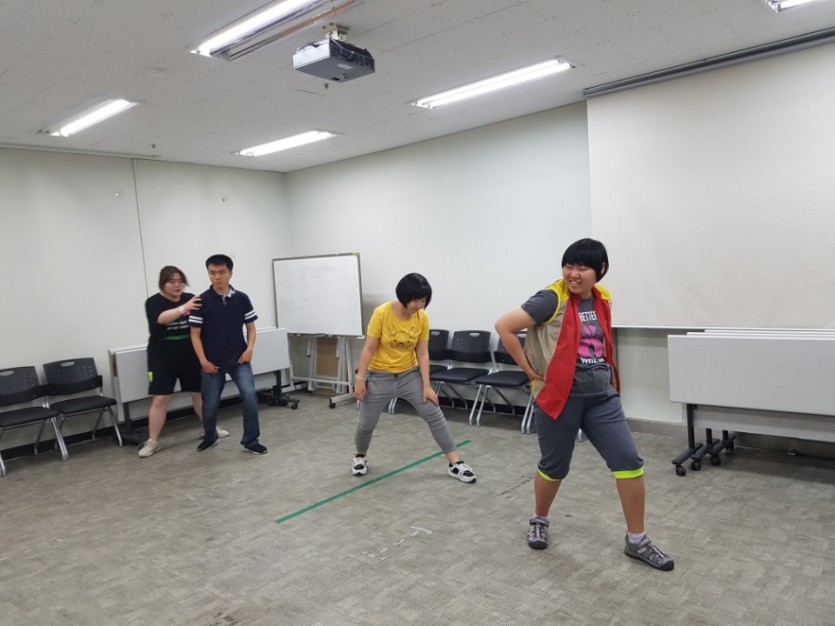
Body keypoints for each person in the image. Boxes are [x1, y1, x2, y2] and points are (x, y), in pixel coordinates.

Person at [494, 238, 673, 571]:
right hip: (560, 398)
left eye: (582, 267)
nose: (573, 274)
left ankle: (637, 540)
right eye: (568, 266)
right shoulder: (551, 298)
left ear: (600, 270)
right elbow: (504, 326)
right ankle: (540, 519)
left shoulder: (602, 298)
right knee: (554, 466)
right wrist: (528, 370)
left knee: (629, 462)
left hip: (602, 397)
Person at [353, 273, 476, 483]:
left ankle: (455, 463)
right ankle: (360, 456)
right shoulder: (381, 313)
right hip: (379, 377)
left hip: (409, 375)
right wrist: (360, 379)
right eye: (416, 300)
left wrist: (426, 386)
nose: (419, 305)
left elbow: (422, 353)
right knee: (366, 424)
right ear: (403, 296)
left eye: (424, 301)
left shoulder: (422, 318)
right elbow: (369, 348)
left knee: (434, 414)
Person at [139, 266, 229, 458]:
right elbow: (162, 319)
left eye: (180, 281)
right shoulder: (153, 302)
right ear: (162, 283)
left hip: (190, 356)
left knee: (199, 394)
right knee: (160, 399)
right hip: (162, 359)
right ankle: (153, 441)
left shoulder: (191, 298)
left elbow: (206, 320)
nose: (177, 285)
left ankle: (210, 428)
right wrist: (184, 308)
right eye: (172, 282)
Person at [189, 254, 267, 455]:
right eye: (212, 273)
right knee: (209, 404)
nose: (217, 277)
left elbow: (251, 328)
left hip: (239, 359)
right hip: (211, 362)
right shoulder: (201, 301)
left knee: (249, 397)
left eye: (221, 272)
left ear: (230, 273)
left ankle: (251, 440)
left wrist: (249, 349)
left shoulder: (241, 298)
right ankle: (210, 437)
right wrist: (203, 361)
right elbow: (195, 334)